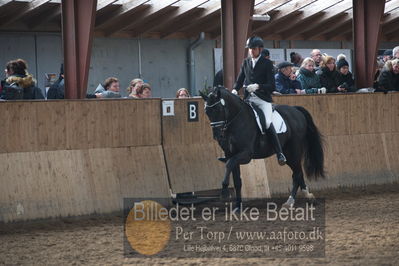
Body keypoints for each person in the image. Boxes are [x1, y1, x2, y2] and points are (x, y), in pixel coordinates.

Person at [232, 36, 286, 165]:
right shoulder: (246, 62)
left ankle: (279, 153)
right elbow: (240, 80)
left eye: (254, 49)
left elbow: (272, 86)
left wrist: (258, 86)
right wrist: (234, 90)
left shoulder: (267, 64)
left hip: (263, 100)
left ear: (260, 49)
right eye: (249, 49)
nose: (251, 51)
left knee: (267, 122)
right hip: (249, 99)